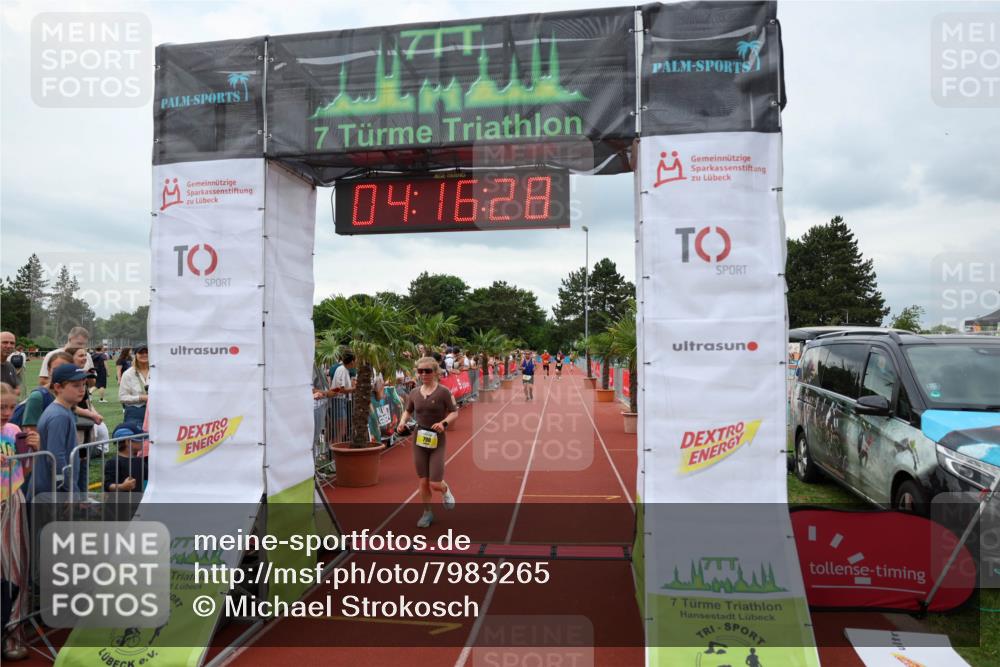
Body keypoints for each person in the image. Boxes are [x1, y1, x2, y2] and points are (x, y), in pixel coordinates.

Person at [396, 357, 459, 528]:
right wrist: (402, 422)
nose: (424, 374)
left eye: (428, 371)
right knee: (423, 480)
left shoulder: (443, 392)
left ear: (436, 372)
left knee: (435, 482)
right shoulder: (415, 392)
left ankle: (445, 491)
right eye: (420, 371)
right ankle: (427, 512)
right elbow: (407, 411)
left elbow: (454, 412)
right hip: (419, 438)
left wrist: (443, 423)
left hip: (437, 439)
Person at [1, 382, 38, 661]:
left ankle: (13, 634)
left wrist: (33, 451)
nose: (8, 413)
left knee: (15, 568)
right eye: (2, 407)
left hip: (13, 501)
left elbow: (24, 469)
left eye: (12, 407)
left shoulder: (14, 431)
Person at [31, 364, 90, 496]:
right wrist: (70, 490)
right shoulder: (59, 416)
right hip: (52, 491)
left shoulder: (64, 411)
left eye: (83, 384)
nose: (82, 390)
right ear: (58, 387)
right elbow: (56, 457)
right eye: (76, 385)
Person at [66, 347, 109, 446]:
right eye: (81, 356)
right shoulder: (66, 377)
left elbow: (86, 401)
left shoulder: (81, 374)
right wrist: (92, 415)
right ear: (70, 358)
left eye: (85, 355)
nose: (85, 358)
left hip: (85, 421)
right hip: (74, 422)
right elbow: (67, 405)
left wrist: (95, 414)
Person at [104, 423, 148, 493]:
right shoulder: (113, 462)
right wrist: (122, 486)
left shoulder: (139, 460)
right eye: (140, 439)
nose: (143, 441)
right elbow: (107, 485)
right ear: (128, 442)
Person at [119, 344, 149, 426]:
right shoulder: (128, 374)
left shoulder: (157, 371)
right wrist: (141, 398)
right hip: (135, 412)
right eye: (141, 352)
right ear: (135, 355)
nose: (144, 355)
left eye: (147, 352)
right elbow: (122, 397)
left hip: (156, 411)